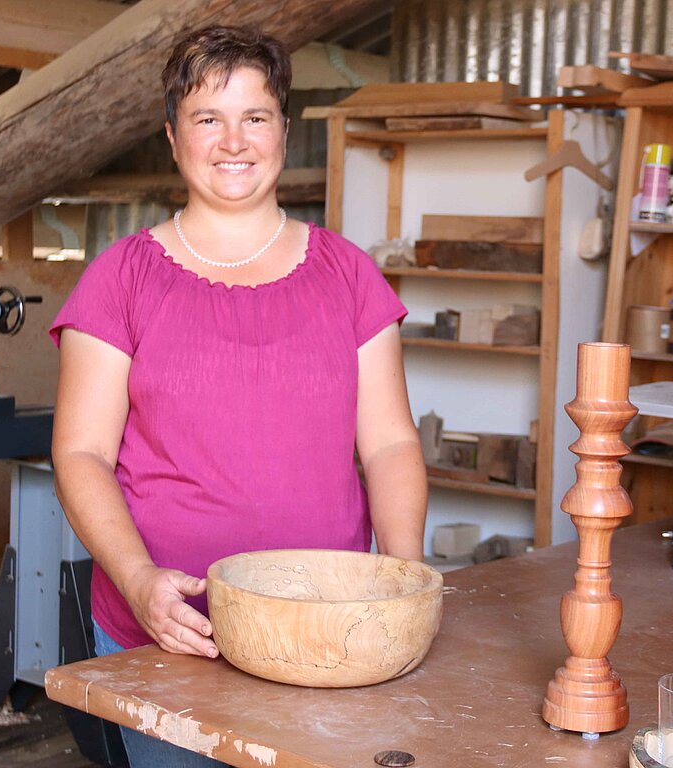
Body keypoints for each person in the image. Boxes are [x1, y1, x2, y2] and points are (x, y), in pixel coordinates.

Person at [50, 24, 427, 768]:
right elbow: (81, 452)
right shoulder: (121, 278)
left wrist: (403, 584)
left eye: (255, 116)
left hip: (326, 638)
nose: (233, 141)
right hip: (170, 637)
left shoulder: (348, 274)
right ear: (171, 135)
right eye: (206, 118)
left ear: (284, 129)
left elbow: (389, 443)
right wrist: (137, 581)